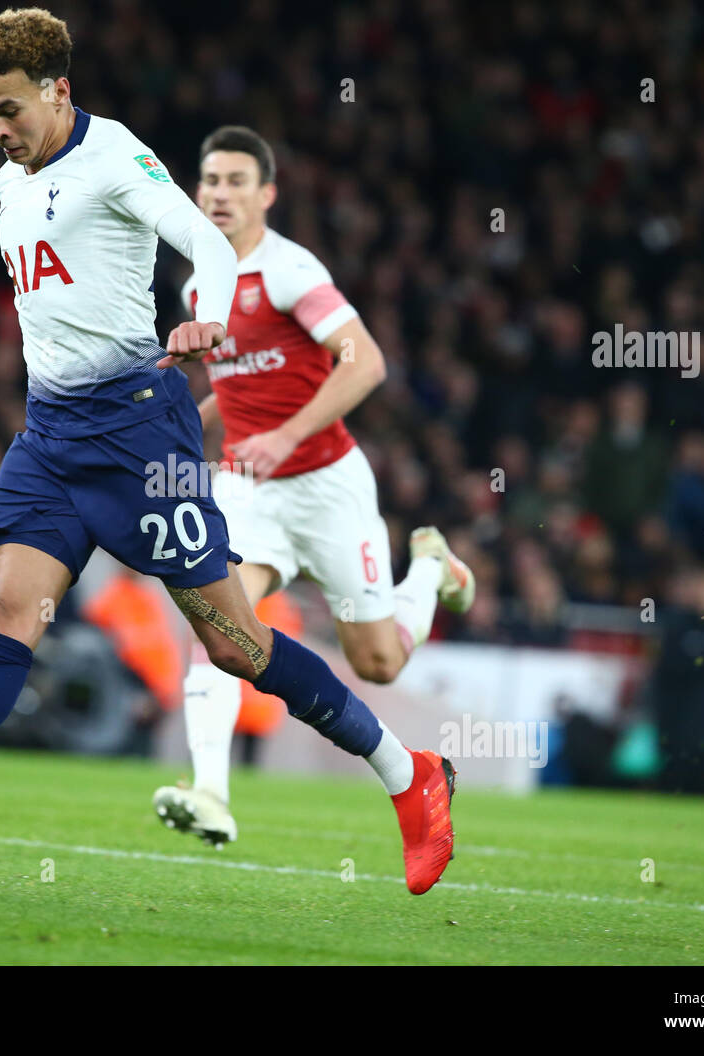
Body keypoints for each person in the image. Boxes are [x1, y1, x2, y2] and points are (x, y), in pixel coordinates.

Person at [0, 7, 454, 895]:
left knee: (236, 645)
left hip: (140, 434)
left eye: (10, 110)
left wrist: (208, 317)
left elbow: (205, 244)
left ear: (58, 91)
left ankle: (410, 777)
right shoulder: (9, 179)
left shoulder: (113, 156)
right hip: (50, 436)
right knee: (8, 611)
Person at [151, 126, 475, 845]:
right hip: (249, 491)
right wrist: (184, 426)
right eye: (211, 180)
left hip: (328, 488)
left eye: (237, 181)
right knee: (218, 618)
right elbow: (237, 383)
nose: (220, 194)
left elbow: (366, 362)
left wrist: (285, 436)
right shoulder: (200, 284)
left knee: (378, 663)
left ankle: (430, 569)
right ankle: (209, 793)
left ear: (267, 194)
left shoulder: (291, 271)